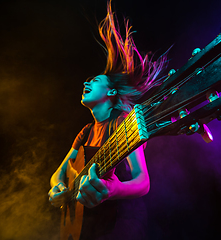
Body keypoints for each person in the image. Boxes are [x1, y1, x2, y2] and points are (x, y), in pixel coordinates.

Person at [48, 1, 168, 239]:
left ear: (111, 92)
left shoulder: (123, 121)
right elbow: (59, 173)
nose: (85, 82)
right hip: (88, 225)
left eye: (94, 80)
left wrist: (113, 190)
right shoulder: (85, 131)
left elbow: (142, 182)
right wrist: (57, 189)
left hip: (120, 222)